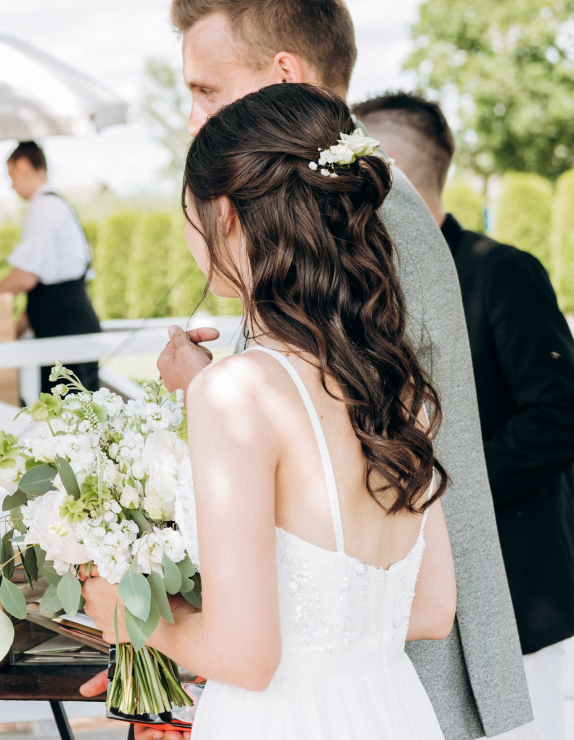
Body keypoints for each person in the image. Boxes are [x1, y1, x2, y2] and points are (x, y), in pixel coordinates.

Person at [126, 0, 530, 739]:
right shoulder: (343, 213)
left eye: (204, 90)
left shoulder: (361, 219)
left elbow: (356, 455)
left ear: (283, 73)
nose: (192, 118)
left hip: (372, 666)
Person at [84, 83, 457, 738]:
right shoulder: (397, 383)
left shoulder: (235, 395)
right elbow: (429, 611)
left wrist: (130, 616)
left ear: (224, 213)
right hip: (391, 710)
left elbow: (244, 658)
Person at [356, 92, 574, 740]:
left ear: (387, 168)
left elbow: (560, 414)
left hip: (522, 596)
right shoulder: (365, 293)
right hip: (411, 602)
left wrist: (439, 498)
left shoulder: (500, 271)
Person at [0, 140, 102, 390]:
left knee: (71, 419)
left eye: (11, 176)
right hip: (67, 326)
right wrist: (17, 327)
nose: (11, 186)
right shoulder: (53, 204)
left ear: (23, 167)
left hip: (66, 331)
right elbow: (45, 287)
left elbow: (27, 277)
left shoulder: (44, 207)